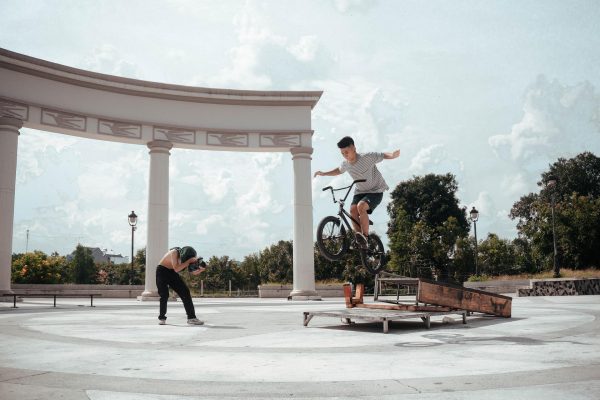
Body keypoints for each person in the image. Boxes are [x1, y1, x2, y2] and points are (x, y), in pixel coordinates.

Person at [314, 136, 400, 248]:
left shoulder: (367, 157)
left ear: (354, 148)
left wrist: (393, 155)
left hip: (376, 190)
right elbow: (338, 171)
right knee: (352, 210)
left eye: (346, 152)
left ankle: (366, 236)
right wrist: (324, 173)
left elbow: (383, 155)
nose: (345, 155)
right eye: (342, 153)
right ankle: (360, 237)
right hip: (360, 191)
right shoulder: (346, 164)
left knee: (361, 206)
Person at [156, 246, 205, 325]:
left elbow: (193, 273)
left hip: (173, 273)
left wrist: (200, 270)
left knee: (185, 292)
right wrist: (188, 261)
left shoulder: (186, 260)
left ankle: (191, 318)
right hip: (162, 271)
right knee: (164, 295)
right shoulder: (174, 252)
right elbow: (176, 269)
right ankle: (162, 317)